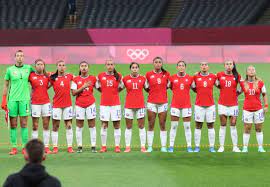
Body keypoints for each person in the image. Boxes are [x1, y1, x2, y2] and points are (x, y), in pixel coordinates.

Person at [2, 50, 34, 155]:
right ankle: (14, 147)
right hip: (12, 100)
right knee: (13, 124)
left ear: (23, 58)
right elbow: (6, 85)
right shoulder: (9, 70)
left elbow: (37, 77)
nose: (19, 58)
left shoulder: (29, 68)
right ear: (14, 58)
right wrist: (3, 99)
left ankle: (25, 147)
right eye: (18, 56)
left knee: (24, 123)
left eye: (21, 56)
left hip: (24, 99)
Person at [96, 59, 124, 153]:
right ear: (105, 65)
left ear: (114, 65)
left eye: (111, 64)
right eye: (108, 64)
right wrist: (104, 92)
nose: (110, 66)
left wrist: (115, 93)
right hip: (104, 104)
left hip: (115, 104)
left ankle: (117, 146)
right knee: (104, 125)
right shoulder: (100, 76)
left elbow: (122, 86)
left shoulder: (119, 76)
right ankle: (103, 146)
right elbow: (97, 86)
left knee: (117, 125)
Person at [239, 65, 268, 152]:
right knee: (247, 128)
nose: (251, 71)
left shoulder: (260, 83)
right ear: (246, 72)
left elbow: (264, 94)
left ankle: (260, 147)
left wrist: (266, 105)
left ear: (255, 72)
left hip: (258, 109)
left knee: (258, 128)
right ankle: (245, 148)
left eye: (253, 70)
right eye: (249, 70)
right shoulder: (243, 83)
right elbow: (237, 93)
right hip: (247, 109)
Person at [145, 57, 170, 152]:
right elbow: (146, 87)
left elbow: (168, 86)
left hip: (163, 102)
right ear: (153, 63)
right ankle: (150, 147)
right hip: (151, 102)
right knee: (151, 124)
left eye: (159, 62)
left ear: (162, 64)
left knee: (162, 124)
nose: (158, 64)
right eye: (156, 62)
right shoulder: (148, 74)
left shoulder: (166, 74)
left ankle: (163, 147)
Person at [71, 61, 97, 153]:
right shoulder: (75, 79)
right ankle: (79, 146)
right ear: (79, 68)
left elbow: (99, 88)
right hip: (79, 105)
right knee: (79, 125)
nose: (84, 68)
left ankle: (93, 146)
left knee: (92, 125)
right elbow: (73, 93)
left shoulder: (93, 78)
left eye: (85, 66)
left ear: (88, 67)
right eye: (82, 66)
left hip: (90, 104)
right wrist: (83, 86)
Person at [216, 60, 241, 152]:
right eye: (227, 64)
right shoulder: (219, 75)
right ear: (224, 65)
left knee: (233, 125)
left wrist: (237, 93)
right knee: (222, 125)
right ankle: (221, 146)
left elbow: (243, 85)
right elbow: (215, 83)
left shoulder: (237, 76)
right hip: (222, 104)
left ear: (233, 65)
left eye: (231, 64)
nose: (229, 66)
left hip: (234, 105)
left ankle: (235, 147)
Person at [168, 60, 193, 153]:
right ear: (177, 67)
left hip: (187, 105)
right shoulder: (172, 78)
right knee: (174, 126)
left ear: (185, 67)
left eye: (183, 65)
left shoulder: (190, 78)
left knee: (187, 126)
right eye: (179, 65)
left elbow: (194, 88)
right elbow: (169, 87)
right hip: (175, 105)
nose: (181, 67)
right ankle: (171, 146)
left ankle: (189, 146)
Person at [50, 60, 74, 154]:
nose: (61, 67)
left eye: (63, 65)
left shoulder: (70, 76)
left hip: (67, 105)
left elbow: (79, 79)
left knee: (69, 126)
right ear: (57, 66)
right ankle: (55, 147)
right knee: (55, 126)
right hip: (56, 105)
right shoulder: (52, 77)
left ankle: (70, 147)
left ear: (65, 67)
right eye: (59, 65)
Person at [192, 61, 217, 153]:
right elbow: (193, 87)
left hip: (210, 106)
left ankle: (211, 147)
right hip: (199, 105)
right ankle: (197, 147)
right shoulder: (195, 77)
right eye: (202, 65)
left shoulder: (213, 77)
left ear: (208, 67)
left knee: (211, 125)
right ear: (200, 67)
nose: (204, 66)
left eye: (205, 65)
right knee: (198, 125)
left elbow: (219, 85)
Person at [122, 62, 147, 153]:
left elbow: (148, 89)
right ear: (130, 69)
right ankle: (128, 147)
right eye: (133, 67)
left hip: (140, 105)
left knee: (141, 126)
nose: (135, 69)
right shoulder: (125, 79)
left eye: (136, 67)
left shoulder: (143, 78)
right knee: (129, 126)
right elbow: (119, 88)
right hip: (129, 105)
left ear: (138, 69)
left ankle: (143, 147)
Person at [29, 59, 52, 154]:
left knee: (46, 125)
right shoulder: (31, 76)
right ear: (35, 66)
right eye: (38, 64)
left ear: (44, 65)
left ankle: (46, 147)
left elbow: (55, 79)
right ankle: (34, 147)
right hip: (34, 103)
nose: (40, 66)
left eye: (41, 64)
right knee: (35, 126)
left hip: (46, 103)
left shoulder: (48, 75)